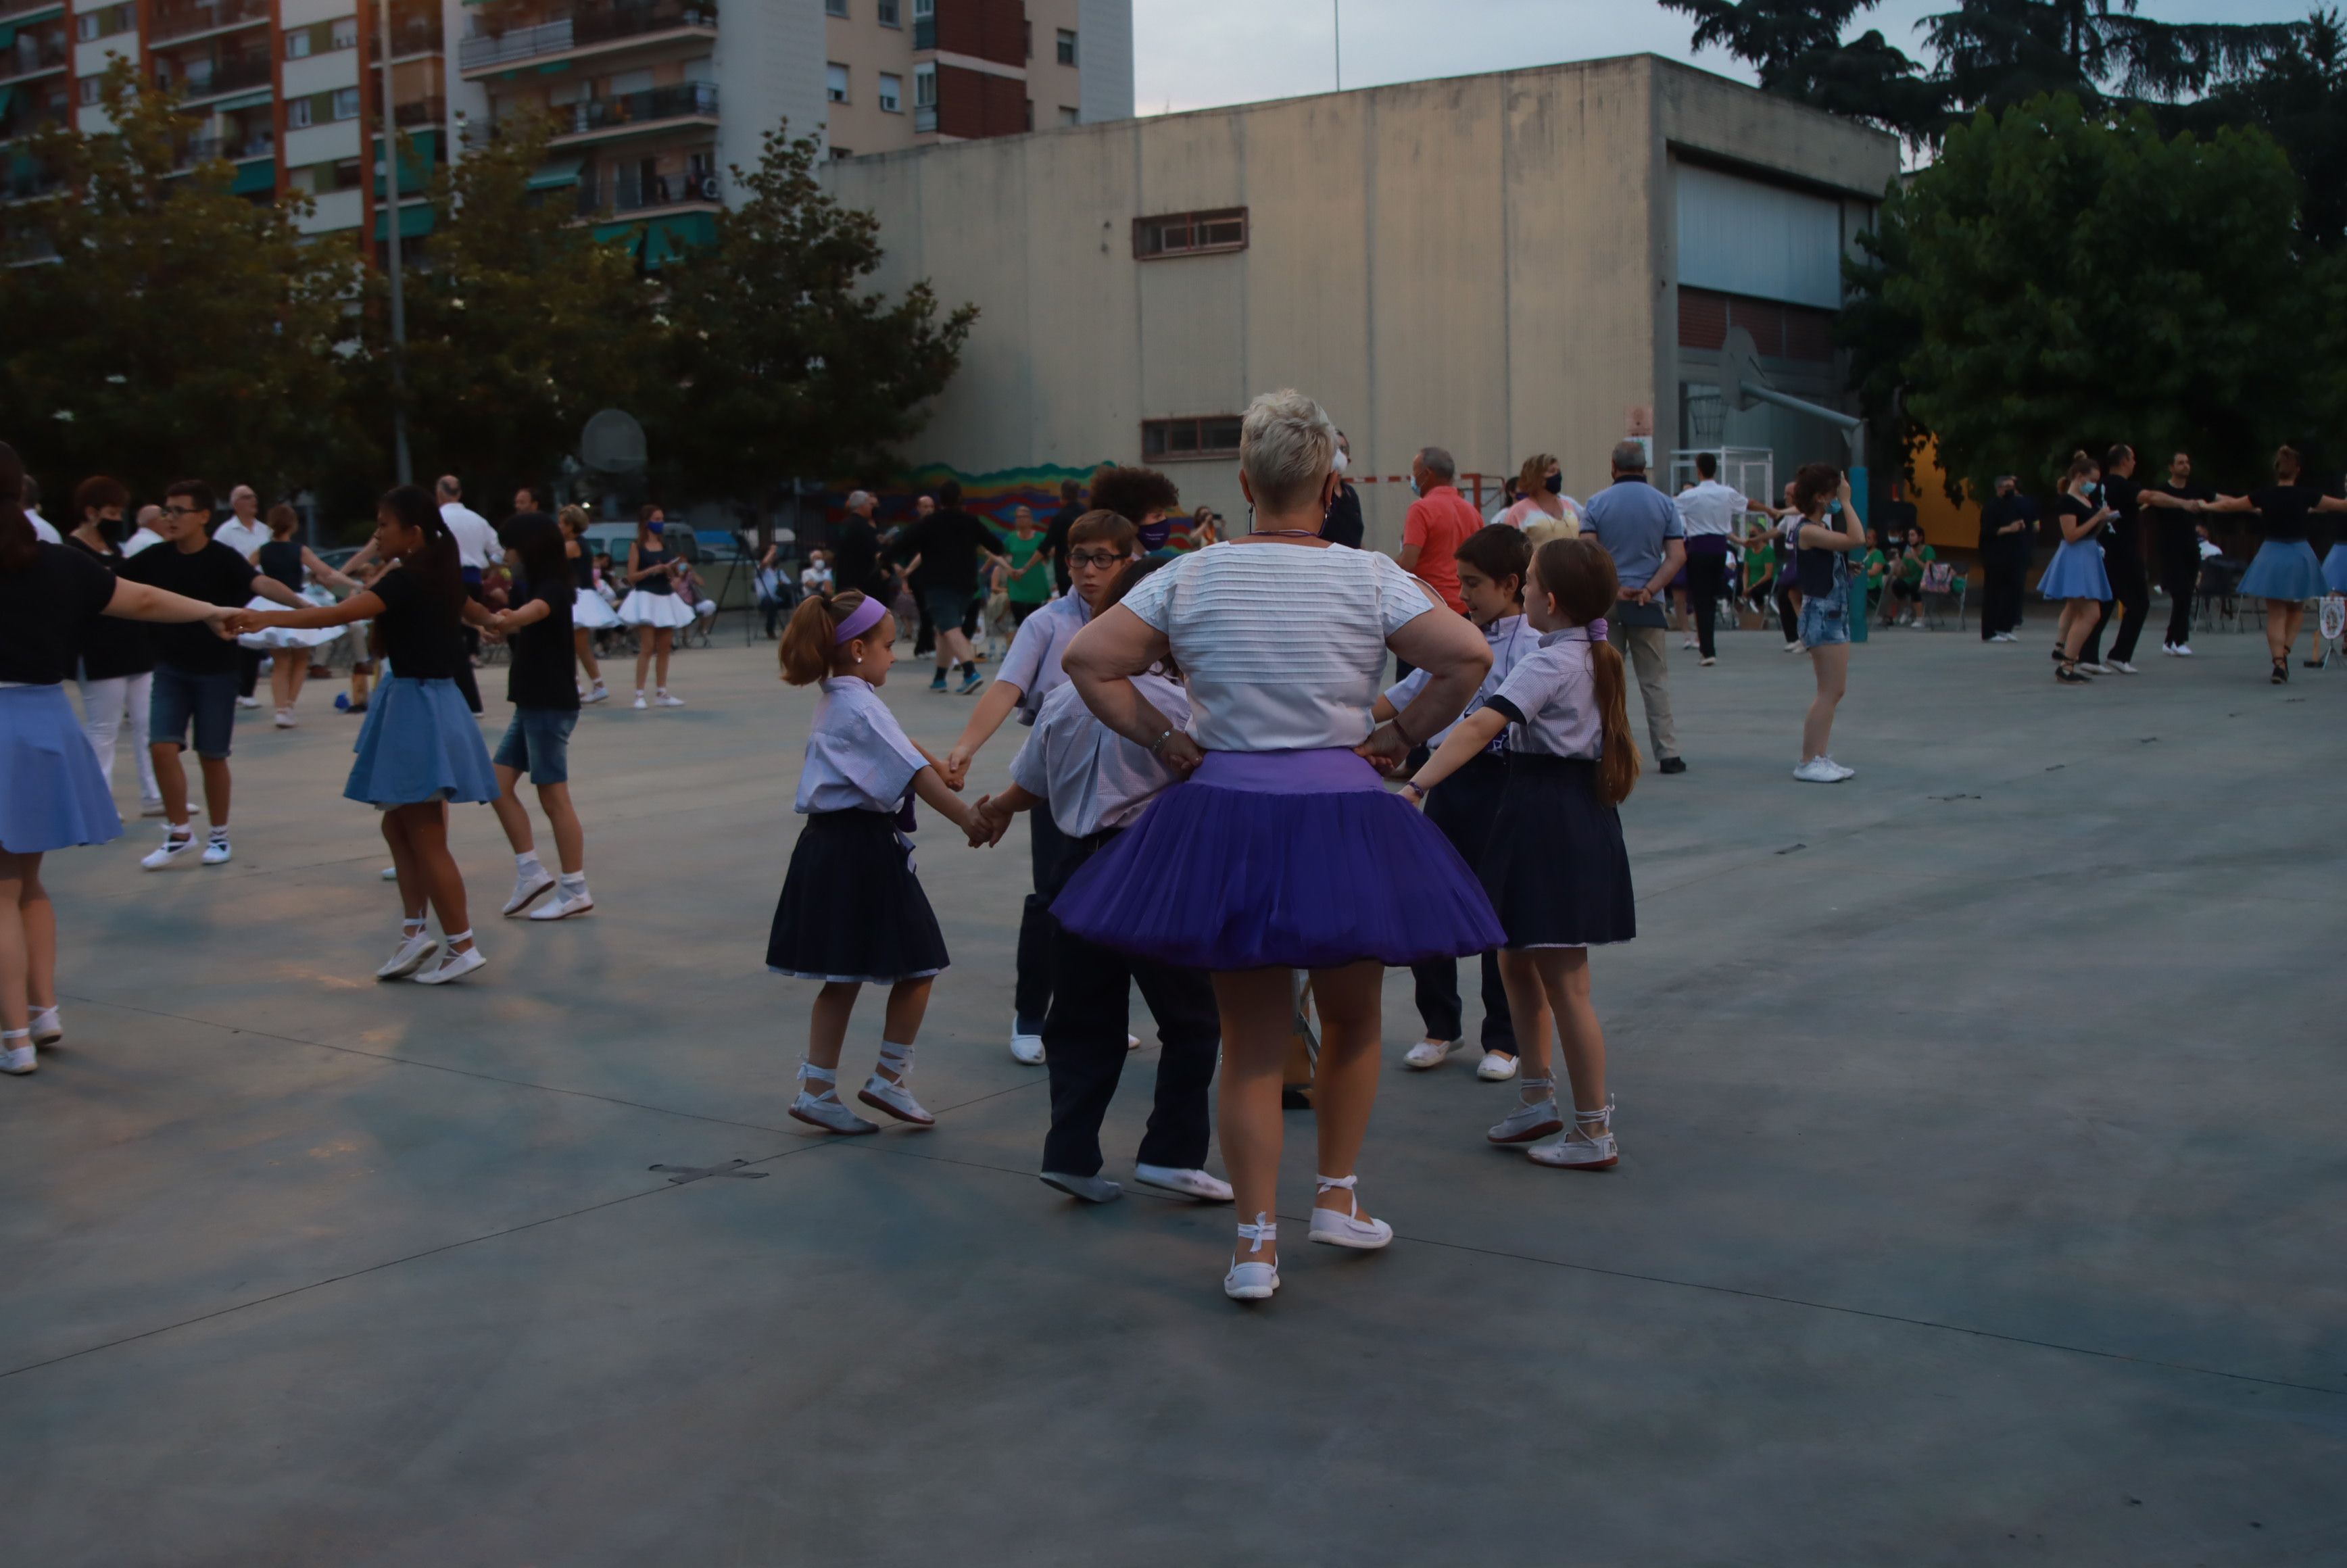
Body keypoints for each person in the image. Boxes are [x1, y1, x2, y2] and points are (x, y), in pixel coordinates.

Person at [1055, 388, 1502, 1302]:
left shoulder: (1191, 576)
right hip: (1342, 810)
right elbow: (1468, 657)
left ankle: (1255, 1247)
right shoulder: (1367, 573)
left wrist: (1163, 739)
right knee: (1353, 1019)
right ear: (1333, 484)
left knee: (1250, 1044)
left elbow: (1089, 662)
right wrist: (1402, 732)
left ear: (1248, 482)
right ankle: (1336, 1196)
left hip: (1228, 810)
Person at [967, 556, 1230, 1206]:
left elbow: (1033, 783)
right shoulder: (1181, 708)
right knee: (1192, 1019)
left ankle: (1071, 1153)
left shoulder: (1064, 696)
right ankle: (1171, 1153)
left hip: (1076, 870)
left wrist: (997, 808)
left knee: (1083, 1022)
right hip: (1149, 873)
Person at [0, 441, 244, 1076]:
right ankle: (43, 1012)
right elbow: (139, 599)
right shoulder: (58, 562)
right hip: (47, 718)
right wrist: (213, 611)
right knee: (27, 884)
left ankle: (14, 1040)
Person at [1397, 535, 1638, 1167]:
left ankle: (1593, 1129)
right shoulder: (1583, 651)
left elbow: (1480, 725)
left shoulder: (1550, 661)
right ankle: (1537, 1099)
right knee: (1517, 962)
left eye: (1527, 581)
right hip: (1546, 813)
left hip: (1550, 818)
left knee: (1565, 983)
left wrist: (1419, 782)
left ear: (1548, 600)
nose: (1522, 590)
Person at [228, 486, 499, 983]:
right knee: (398, 825)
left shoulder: (406, 581)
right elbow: (476, 612)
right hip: (430, 702)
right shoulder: (436, 576)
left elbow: (334, 614)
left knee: (424, 832)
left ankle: (461, 944)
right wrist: (495, 622)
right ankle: (415, 933)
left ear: (413, 533)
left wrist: (267, 616)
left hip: (418, 706)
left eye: (383, 525)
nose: (376, 534)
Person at [767, 589, 985, 1134]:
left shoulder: (841, 696)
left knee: (842, 976)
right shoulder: (862, 704)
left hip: (827, 846)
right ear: (859, 649)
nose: (896, 652)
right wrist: (968, 819)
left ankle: (817, 1089)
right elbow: (910, 770)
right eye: (890, 644)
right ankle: (889, 1078)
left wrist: (939, 762)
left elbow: (903, 749)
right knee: (921, 964)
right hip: (860, 851)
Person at [942, 511, 1142, 1064]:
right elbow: (1007, 686)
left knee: (1124, 905)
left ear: (1129, 563)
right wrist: (966, 746)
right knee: (1054, 900)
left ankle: (1101, 1015)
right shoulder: (1048, 624)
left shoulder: (1147, 619)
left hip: (1134, 787)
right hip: (1060, 784)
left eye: (1104, 558)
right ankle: (1032, 1016)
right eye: (1079, 557)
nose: (1088, 570)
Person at [1376, 525, 1537, 1080]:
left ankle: (1505, 1038)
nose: (1462, 594)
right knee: (1428, 900)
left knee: (1499, 912)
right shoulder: (1458, 636)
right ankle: (1440, 1025)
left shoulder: (1539, 644)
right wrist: (1333, 717)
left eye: (1473, 584)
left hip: (1507, 782)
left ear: (1512, 583)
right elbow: (1401, 697)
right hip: (1448, 781)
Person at [117, 480, 308, 869]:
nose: (169, 518)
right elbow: (111, 581)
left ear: (203, 516)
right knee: (162, 747)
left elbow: (262, 583)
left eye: (178, 511)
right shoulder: (154, 558)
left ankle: (219, 835)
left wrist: (304, 608)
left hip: (218, 672)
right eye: (166, 511)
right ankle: (179, 832)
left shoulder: (223, 558)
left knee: (212, 755)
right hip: (170, 669)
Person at [485, 513, 594, 922]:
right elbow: (522, 622)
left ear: (527, 547)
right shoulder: (533, 584)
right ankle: (530, 871)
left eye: (508, 546)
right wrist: (501, 626)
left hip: (549, 705)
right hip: (532, 702)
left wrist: (498, 620)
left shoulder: (554, 589)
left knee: (553, 796)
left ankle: (575, 888)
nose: (504, 553)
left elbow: (530, 614)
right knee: (496, 784)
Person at [1579, 440, 1687, 773]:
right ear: (1645, 467)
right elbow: (1677, 556)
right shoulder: (1665, 505)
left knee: (1606, 678)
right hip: (1647, 602)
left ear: (1614, 465)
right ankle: (1667, 753)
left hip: (1607, 601)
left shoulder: (1597, 503)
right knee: (1654, 679)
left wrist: (1614, 588)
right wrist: (1649, 588)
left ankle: (1605, 747)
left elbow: (1588, 554)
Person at [62, 477, 164, 817]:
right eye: (111, 512)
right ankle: (99, 802)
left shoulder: (116, 550)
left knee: (146, 724)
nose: (117, 518)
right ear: (91, 512)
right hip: (99, 651)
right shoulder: (71, 551)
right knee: (103, 729)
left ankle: (154, 794)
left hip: (135, 646)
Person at [2202, 445, 2347, 683]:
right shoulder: (2307, 495)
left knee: (2276, 613)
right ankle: (2284, 653)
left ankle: (2279, 662)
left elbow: (2230, 506)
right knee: (2297, 609)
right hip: (2299, 554)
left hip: (2272, 554)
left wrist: (2206, 506)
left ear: (2276, 470)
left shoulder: (2264, 495)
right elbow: (2341, 506)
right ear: (2298, 470)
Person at [1777, 466, 1868, 779]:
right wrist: (1848, 502)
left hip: (1831, 613)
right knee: (1829, 691)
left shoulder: (1816, 527)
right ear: (1820, 497)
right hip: (1822, 616)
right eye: (1833, 494)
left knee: (1834, 690)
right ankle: (1808, 760)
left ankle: (1819, 754)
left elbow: (1830, 558)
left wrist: (1845, 566)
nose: (1837, 499)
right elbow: (1857, 538)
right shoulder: (1808, 530)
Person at [2085, 446, 2200, 673]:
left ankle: (2087, 656)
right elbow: (2151, 496)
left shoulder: (2099, 486)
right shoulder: (2124, 486)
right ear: (2125, 461)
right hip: (2123, 553)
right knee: (2139, 603)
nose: (2135, 463)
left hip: (2101, 550)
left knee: (2105, 604)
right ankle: (2119, 655)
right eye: (2133, 459)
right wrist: (2182, 503)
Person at [245, 503, 358, 728]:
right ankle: (288, 706)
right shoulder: (300, 550)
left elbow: (244, 572)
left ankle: (280, 710)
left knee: (280, 661)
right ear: (294, 524)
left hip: (271, 603)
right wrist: (355, 585)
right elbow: (326, 572)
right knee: (300, 658)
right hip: (296, 602)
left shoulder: (262, 550)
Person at [898, 481, 1005, 694]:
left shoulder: (931, 524)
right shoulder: (970, 522)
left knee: (950, 629)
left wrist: (889, 560)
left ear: (940, 501)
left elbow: (904, 543)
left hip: (939, 586)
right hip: (966, 587)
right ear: (960, 499)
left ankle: (970, 672)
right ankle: (940, 678)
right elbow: (997, 546)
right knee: (943, 630)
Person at [2042, 451, 2117, 686]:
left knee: (2081, 611)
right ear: (2078, 476)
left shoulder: (2086, 501)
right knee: (2090, 613)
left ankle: (2067, 661)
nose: (2093, 485)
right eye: (2091, 480)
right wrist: (2097, 519)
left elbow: (2086, 530)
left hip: (2087, 555)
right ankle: (2066, 664)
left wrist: (2103, 520)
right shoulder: (2067, 501)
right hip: (2076, 558)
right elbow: (2071, 535)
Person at [618, 505, 692, 708]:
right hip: (646, 597)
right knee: (648, 646)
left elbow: (673, 574)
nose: (661, 522)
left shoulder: (664, 544)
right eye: (657, 519)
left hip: (665, 596)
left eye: (662, 518)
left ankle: (662, 692)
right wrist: (652, 569)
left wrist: (671, 571)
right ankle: (639, 694)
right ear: (646, 522)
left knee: (665, 647)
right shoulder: (637, 546)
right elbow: (631, 577)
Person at [1673, 452, 1741, 665]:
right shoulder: (1726, 492)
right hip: (1720, 549)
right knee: (1710, 597)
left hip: (1698, 549)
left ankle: (1707, 649)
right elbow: (1747, 504)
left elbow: (1669, 509)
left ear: (1698, 470)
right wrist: (1770, 510)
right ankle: (1707, 646)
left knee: (1701, 599)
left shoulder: (1690, 496)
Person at [1399, 445, 1480, 616]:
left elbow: (1408, 562)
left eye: (1415, 473)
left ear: (1427, 474)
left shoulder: (1421, 509)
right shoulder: (1472, 511)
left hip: (1433, 606)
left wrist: (1381, 570)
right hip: (1467, 606)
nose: (1413, 479)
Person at [213, 485, 270, 711]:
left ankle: (247, 690)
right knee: (239, 638)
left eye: (255, 496)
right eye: (247, 497)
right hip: (237, 589)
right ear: (236, 504)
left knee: (255, 637)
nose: (253, 500)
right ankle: (236, 687)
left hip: (260, 588)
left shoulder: (265, 531)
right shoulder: (226, 532)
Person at [2154, 451, 2215, 656]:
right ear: (2171, 467)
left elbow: (2218, 498)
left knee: (2187, 594)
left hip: (2191, 548)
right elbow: (2150, 501)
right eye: (2180, 463)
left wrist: (2249, 504)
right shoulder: (2163, 490)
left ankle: (2173, 640)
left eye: (2188, 462)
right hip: (2171, 550)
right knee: (2180, 594)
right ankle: (2175, 640)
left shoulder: (2195, 489)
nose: (2186, 466)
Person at [558, 506, 615, 702]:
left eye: (561, 523)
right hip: (579, 594)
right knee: (575, 645)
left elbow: (551, 558)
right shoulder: (578, 543)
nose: (558, 527)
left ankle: (591, 686)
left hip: (578, 596)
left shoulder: (573, 545)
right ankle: (581, 685)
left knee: (577, 645)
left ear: (571, 526)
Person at [1977, 475, 2035, 643]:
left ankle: (2005, 627)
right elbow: (1988, 532)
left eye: (2013, 486)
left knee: (2014, 593)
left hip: (2015, 556)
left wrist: (2021, 527)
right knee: (1993, 594)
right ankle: (1989, 631)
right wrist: (2009, 529)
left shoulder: (2016, 505)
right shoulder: (1991, 507)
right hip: (1995, 557)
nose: (2012, 489)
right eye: (2008, 486)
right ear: (2000, 489)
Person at [1499, 452, 1582, 537]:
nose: (1558, 475)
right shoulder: (1518, 511)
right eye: (1552, 471)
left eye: (1558, 471)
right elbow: (1509, 546)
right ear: (1536, 477)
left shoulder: (1568, 505)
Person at [998, 504, 1052, 625]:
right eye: (1018, 517)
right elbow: (997, 554)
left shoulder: (1040, 537)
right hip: (1017, 581)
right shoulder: (1011, 538)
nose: (1021, 519)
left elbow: (1051, 552)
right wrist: (1008, 569)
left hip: (1035, 581)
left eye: (1024, 516)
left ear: (1031, 519)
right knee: (1019, 616)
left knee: (1036, 621)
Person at [1320, 431, 1365, 548]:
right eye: (1334, 448)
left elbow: (1355, 537)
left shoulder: (1351, 494)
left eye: (1343, 449)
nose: (1338, 454)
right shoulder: (1317, 494)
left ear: (1348, 459)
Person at [1042, 478, 1084, 595]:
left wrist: (1026, 568)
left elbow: (1045, 546)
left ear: (1062, 494)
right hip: (1086, 565)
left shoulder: (1059, 518)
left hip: (1065, 568)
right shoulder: (1086, 514)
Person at [1889, 524, 1934, 627]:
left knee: (1915, 586)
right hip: (1910, 579)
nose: (1910, 538)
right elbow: (1905, 573)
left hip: (1925, 580)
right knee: (1897, 584)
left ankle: (1920, 618)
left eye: (1913, 535)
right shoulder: (1908, 551)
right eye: (1909, 535)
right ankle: (1906, 609)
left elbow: (1928, 569)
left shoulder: (1928, 550)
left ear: (1921, 537)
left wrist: (1915, 558)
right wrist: (1899, 564)